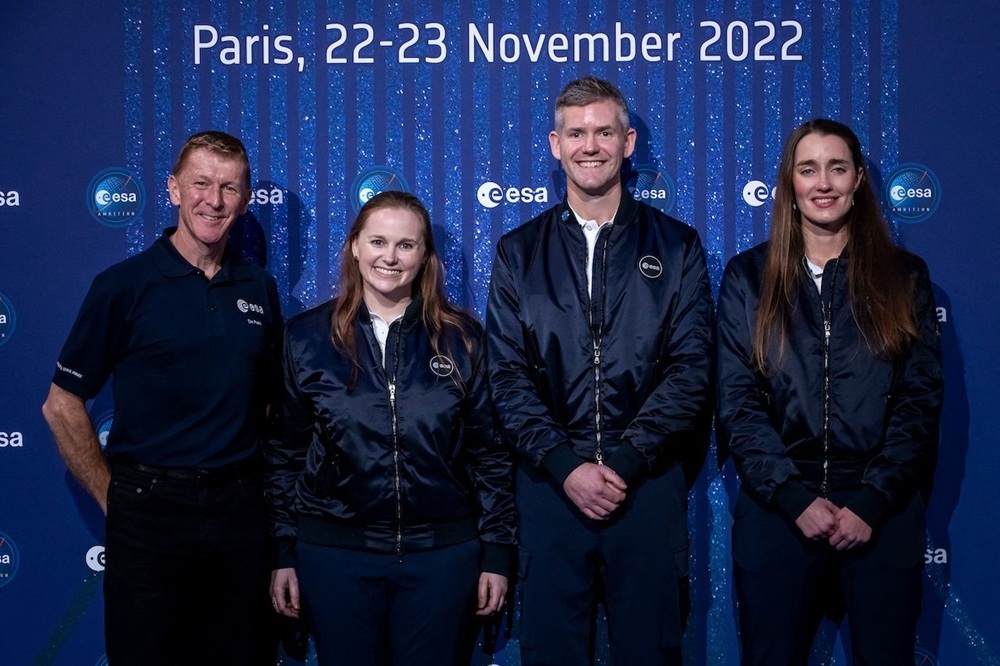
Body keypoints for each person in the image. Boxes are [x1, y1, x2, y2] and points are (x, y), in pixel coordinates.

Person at [486, 75, 715, 665]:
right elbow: (506, 377)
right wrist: (566, 466)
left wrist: (625, 460)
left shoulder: (677, 245)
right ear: (554, 144)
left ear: (628, 141)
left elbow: (691, 370)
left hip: (645, 486)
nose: (591, 145)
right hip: (549, 488)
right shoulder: (518, 251)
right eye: (577, 132)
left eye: (604, 131)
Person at [41, 131, 283, 665]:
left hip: (239, 513)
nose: (213, 201)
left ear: (244, 201)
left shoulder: (258, 288)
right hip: (150, 512)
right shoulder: (123, 286)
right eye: (200, 183)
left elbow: (267, 402)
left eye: (228, 188)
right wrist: (116, 499)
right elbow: (61, 403)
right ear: (173, 190)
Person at [715, 118, 944, 665]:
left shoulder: (904, 275)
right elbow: (737, 401)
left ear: (859, 179)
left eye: (837, 168)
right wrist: (794, 498)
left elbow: (919, 401)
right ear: (789, 184)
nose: (824, 183)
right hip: (780, 514)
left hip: (880, 516)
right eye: (809, 169)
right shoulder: (748, 276)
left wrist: (870, 500)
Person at [265, 190, 515, 666]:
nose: (390, 257)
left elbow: (491, 455)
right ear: (355, 247)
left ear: (424, 257)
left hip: (441, 557)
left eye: (406, 245)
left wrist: (498, 554)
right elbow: (283, 454)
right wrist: (283, 551)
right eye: (378, 241)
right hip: (336, 556)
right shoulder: (304, 338)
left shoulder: (463, 339)